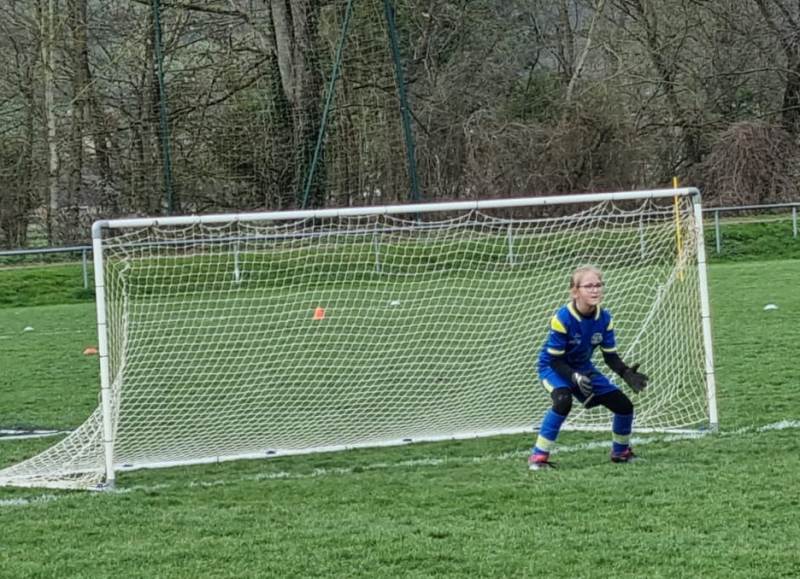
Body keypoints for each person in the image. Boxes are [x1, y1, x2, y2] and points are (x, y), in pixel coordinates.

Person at [529, 265, 648, 470]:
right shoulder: (562, 318)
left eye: (598, 285)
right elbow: (555, 360)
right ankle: (538, 458)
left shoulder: (605, 318)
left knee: (624, 406)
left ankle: (621, 453)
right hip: (553, 368)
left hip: (582, 367)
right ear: (575, 292)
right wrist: (574, 377)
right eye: (589, 286)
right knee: (563, 401)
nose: (595, 290)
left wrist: (626, 373)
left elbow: (610, 356)